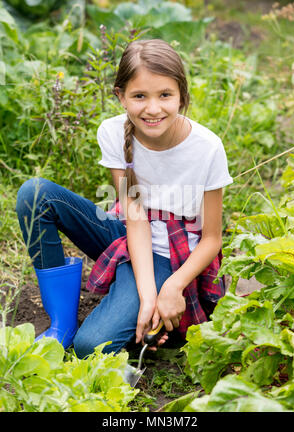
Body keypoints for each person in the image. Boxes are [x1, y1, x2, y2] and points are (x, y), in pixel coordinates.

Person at [16, 39, 233, 359]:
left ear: (182, 95)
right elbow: (135, 218)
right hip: (129, 232)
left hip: (171, 257)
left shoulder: (207, 148)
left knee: (92, 347)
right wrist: (147, 297)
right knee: (35, 195)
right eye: (139, 96)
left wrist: (171, 287)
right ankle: (62, 322)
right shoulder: (112, 132)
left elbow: (212, 239)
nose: (153, 108)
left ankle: (129, 297)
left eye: (165, 95)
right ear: (121, 96)